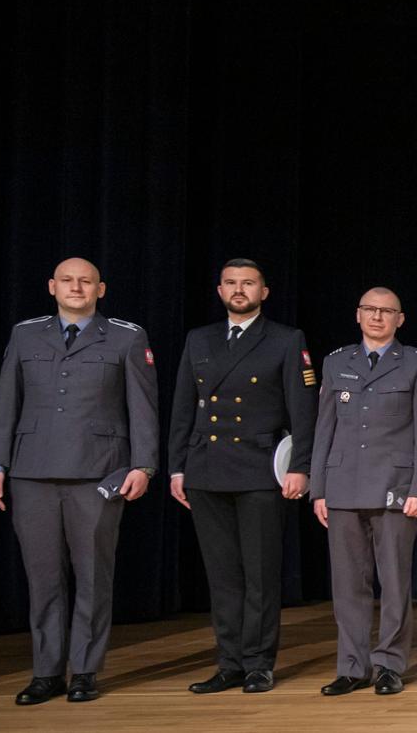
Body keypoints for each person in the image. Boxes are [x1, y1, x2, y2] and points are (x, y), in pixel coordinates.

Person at [0, 258, 159, 705]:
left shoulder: (126, 335)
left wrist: (144, 465)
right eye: (67, 280)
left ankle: (84, 670)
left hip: (99, 471)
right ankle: (46, 672)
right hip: (32, 471)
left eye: (85, 281)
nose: (76, 287)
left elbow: (143, 405)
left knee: (93, 577)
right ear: (51, 286)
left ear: (101, 289)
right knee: (43, 579)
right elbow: (6, 400)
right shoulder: (26, 333)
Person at [169, 258, 317, 694]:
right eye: (231, 283)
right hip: (206, 469)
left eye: (248, 283)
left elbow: (302, 410)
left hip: (259, 471)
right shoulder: (200, 339)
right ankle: (228, 662)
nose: (239, 289)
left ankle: (257, 663)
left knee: (260, 575)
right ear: (219, 291)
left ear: (263, 292)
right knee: (223, 576)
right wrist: (177, 466)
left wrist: (301, 467)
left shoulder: (287, 340)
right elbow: (182, 408)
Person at [309, 287, 417, 697]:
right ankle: (352, 665)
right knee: (348, 583)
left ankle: (388, 664)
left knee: (395, 581)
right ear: (358, 314)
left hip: (395, 487)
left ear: (400, 319)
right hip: (344, 485)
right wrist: (319, 489)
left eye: (387, 312)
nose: (377, 317)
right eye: (370, 309)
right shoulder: (336, 362)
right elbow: (324, 429)